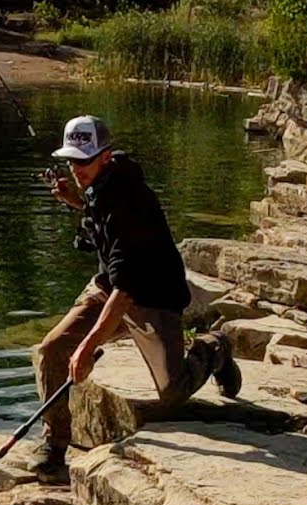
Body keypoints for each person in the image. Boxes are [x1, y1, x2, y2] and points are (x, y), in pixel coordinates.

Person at [29, 115, 242, 478]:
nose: (76, 168)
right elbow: (102, 225)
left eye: (83, 160)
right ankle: (55, 446)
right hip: (109, 287)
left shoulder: (131, 204)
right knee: (52, 349)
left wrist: (88, 346)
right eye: (71, 160)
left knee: (172, 392)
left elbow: (125, 292)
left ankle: (214, 348)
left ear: (105, 156)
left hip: (151, 297)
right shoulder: (102, 185)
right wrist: (76, 202)